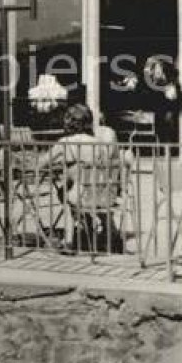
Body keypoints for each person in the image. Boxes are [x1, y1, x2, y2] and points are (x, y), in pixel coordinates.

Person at [51, 103, 123, 253]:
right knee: (87, 193)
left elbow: (42, 163)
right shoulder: (99, 144)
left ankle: (69, 240)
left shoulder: (64, 142)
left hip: (81, 196)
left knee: (66, 195)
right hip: (105, 195)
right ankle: (111, 235)